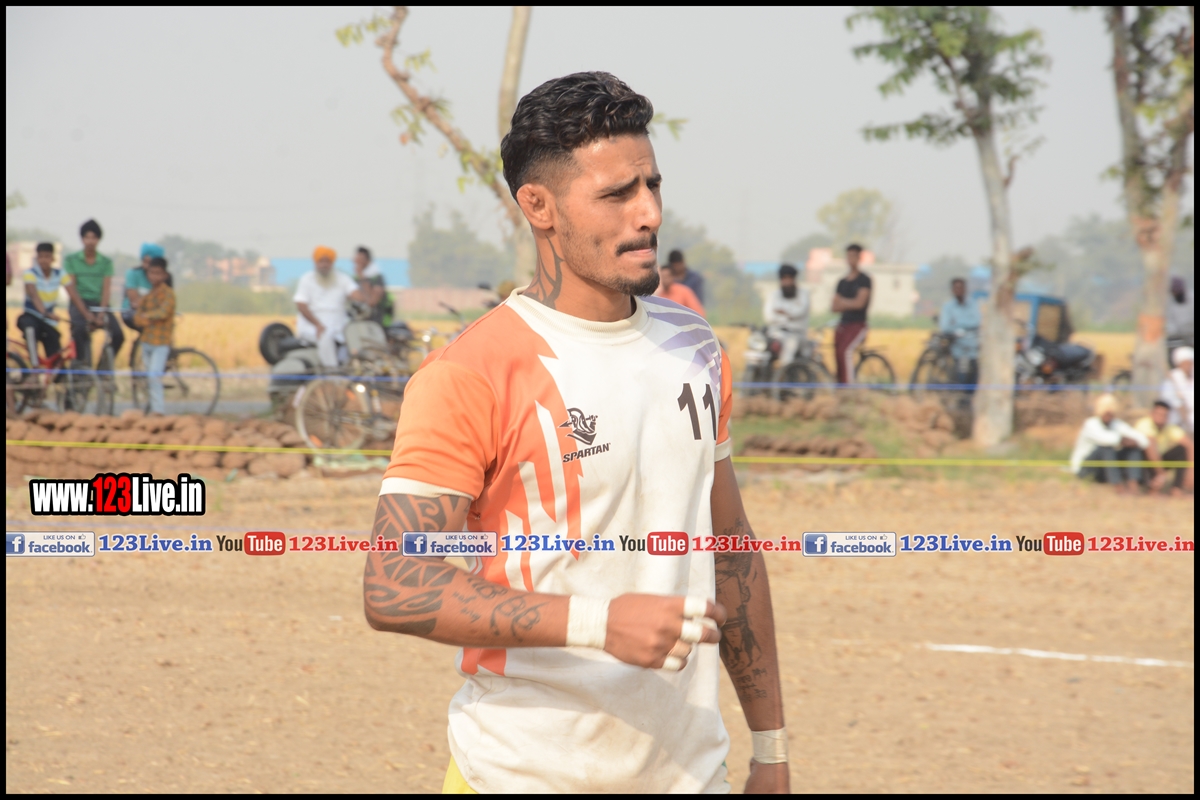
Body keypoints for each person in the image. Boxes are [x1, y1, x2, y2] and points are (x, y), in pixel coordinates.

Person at [363, 71, 787, 794]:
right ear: (539, 206)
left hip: (691, 776)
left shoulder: (696, 347)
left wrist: (770, 749)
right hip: (521, 775)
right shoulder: (470, 373)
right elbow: (395, 583)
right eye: (617, 194)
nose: (649, 213)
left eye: (653, 185)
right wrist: (598, 623)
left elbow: (732, 552)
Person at [64, 219, 124, 370]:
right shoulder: (71, 260)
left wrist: (101, 314)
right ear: (82, 239)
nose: (90, 241)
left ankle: (102, 370)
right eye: (87, 237)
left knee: (118, 334)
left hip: (99, 304)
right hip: (79, 303)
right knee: (79, 330)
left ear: (98, 240)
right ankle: (81, 368)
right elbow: (72, 290)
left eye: (94, 238)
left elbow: (106, 290)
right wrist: (86, 314)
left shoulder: (105, 262)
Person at [292, 246, 363, 368]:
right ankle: (332, 372)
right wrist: (317, 324)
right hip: (312, 327)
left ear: (332, 263)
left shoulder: (342, 278)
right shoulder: (307, 279)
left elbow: (357, 295)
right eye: (321, 261)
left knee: (356, 339)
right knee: (325, 336)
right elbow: (301, 305)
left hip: (339, 328)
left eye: (327, 261)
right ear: (316, 262)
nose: (324, 265)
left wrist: (361, 284)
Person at [1070, 393, 1151, 493]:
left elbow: (1143, 440)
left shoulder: (1117, 424)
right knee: (1106, 448)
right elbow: (1107, 439)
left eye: (1111, 412)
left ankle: (1133, 486)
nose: (1108, 414)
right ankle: (1119, 488)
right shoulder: (1090, 424)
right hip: (1086, 469)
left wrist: (1133, 442)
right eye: (1106, 412)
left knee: (1134, 449)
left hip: (1105, 469)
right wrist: (1123, 440)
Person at [132, 257, 176, 415]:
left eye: (158, 273)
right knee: (149, 377)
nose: (155, 276)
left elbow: (163, 313)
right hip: (146, 341)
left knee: (153, 376)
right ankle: (152, 409)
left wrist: (147, 316)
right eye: (152, 273)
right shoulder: (148, 295)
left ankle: (158, 411)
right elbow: (137, 318)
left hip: (161, 343)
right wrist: (144, 317)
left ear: (164, 275)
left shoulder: (169, 294)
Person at [18, 243, 72, 366]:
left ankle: (56, 373)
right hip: (31, 315)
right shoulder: (30, 273)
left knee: (56, 359)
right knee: (30, 328)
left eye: (47, 256)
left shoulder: (60, 274)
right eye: (41, 257)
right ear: (37, 258)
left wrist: (85, 314)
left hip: (48, 322)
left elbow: (73, 294)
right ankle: (34, 368)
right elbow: (34, 295)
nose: (44, 260)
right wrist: (46, 313)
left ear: (53, 258)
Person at [831, 242, 871, 384]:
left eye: (854, 256)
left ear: (859, 258)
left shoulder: (864, 280)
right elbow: (834, 306)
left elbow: (860, 304)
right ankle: (840, 386)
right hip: (843, 324)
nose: (851, 259)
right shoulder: (842, 282)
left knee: (845, 351)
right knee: (837, 353)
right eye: (849, 256)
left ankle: (849, 388)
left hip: (858, 325)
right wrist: (850, 303)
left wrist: (843, 302)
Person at [1135, 400, 1194, 496]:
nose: (1161, 417)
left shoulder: (1169, 427)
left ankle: (1176, 489)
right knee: (1146, 453)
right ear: (1151, 413)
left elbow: (1190, 445)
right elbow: (1150, 449)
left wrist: (1191, 472)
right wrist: (1161, 474)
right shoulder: (1144, 424)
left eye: (1164, 415)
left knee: (1182, 450)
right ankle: (1150, 488)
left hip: (1159, 460)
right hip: (1144, 462)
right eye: (1158, 414)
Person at [763, 263, 810, 372]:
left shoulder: (803, 294)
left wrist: (781, 313)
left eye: (790, 278)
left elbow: (799, 312)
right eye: (784, 279)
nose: (787, 282)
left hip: (797, 334)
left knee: (790, 345)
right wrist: (788, 317)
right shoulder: (774, 295)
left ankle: (783, 374)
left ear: (794, 279)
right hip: (776, 333)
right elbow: (769, 317)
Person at [938, 277, 980, 385]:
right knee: (960, 374)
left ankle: (970, 393)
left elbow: (977, 322)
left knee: (974, 374)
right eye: (956, 288)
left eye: (961, 287)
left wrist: (957, 325)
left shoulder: (973, 305)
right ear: (952, 290)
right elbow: (945, 327)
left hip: (973, 345)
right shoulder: (948, 307)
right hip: (957, 347)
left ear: (965, 289)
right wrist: (963, 328)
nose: (959, 290)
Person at [353, 246, 392, 325]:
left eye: (359, 260)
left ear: (366, 260)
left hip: (375, 323)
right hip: (359, 323)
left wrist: (361, 276)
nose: (356, 262)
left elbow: (372, 301)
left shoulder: (377, 278)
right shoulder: (356, 279)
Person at [1161, 346, 1194, 436]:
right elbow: (1170, 399)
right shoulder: (1172, 378)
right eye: (1185, 363)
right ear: (1179, 364)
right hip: (1178, 417)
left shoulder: (1192, 377)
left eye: (1190, 363)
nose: (1188, 366)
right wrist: (1180, 405)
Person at [1166, 276, 1193, 351]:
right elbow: (1170, 323)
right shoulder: (1169, 303)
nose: (1175, 293)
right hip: (1178, 338)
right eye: (1174, 291)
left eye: (1177, 291)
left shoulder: (1192, 299)